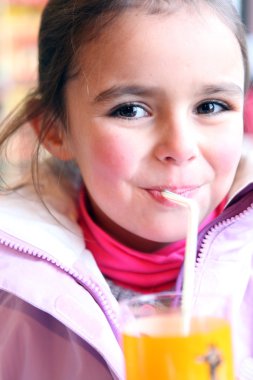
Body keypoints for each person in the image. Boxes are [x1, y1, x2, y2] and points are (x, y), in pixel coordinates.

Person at [0, 0, 252, 379]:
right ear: (54, 130)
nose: (180, 148)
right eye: (131, 110)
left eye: (211, 106)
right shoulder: (11, 299)